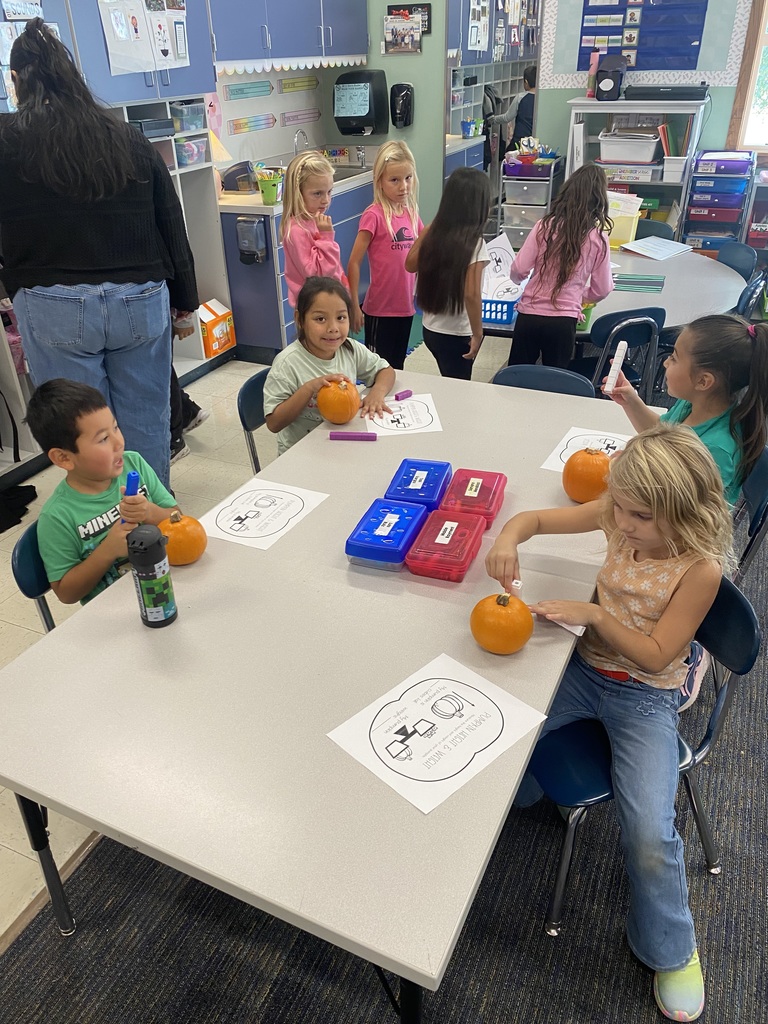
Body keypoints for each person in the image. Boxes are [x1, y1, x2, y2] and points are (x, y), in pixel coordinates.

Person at [486, 423, 734, 1023]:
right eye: (617, 510)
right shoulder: (622, 513)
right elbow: (535, 521)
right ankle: (521, 790)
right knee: (496, 737)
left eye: (639, 517)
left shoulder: (698, 569)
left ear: (685, 512)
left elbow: (654, 655)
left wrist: (593, 614)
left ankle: (673, 950)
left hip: (644, 696)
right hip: (581, 670)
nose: (622, 526)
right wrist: (508, 537)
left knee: (650, 833)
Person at [0, 19, 198, 490]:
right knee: (146, 417)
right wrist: (185, 297)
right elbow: (170, 219)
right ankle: (150, 521)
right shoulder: (124, 136)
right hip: (139, 297)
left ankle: (106, 531)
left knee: (83, 428)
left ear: (19, 81)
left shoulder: (6, 142)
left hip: (53, 304)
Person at [25, 379, 179, 606]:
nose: (119, 442)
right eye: (103, 439)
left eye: (115, 427)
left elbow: (177, 517)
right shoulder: (57, 516)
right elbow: (66, 593)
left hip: (164, 585)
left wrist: (149, 512)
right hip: (114, 613)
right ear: (64, 458)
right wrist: (107, 551)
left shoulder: (133, 464)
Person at [606, 313, 768, 506]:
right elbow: (659, 431)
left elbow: (686, 511)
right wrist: (630, 401)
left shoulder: (715, 449)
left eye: (674, 358)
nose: (665, 363)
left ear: (703, 381)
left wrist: (630, 472)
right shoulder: (691, 404)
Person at [263, 276, 395, 456]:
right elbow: (274, 423)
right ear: (300, 320)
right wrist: (309, 388)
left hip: (343, 445)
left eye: (341, 317)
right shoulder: (287, 364)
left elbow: (385, 370)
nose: (333, 328)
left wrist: (377, 393)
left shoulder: (349, 349)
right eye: (320, 319)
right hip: (300, 455)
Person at [506, 164, 614, 369]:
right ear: (599, 200)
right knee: (555, 383)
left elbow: (519, 269)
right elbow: (602, 289)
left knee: (516, 376)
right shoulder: (598, 238)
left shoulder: (544, 226)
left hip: (529, 316)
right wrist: (579, 294)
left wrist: (519, 282)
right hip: (563, 321)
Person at [405, 167, 490, 380]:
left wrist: (435, 226)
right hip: (457, 334)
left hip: (431, 330)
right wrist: (478, 334)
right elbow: (471, 294)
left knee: (450, 381)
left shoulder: (434, 234)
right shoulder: (476, 244)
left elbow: (410, 264)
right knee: (460, 389)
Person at [347, 141, 423, 369]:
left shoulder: (411, 213)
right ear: (379, 181)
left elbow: (423, 252)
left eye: (408, 178)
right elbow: (353, 262)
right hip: (379, 310)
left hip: (406, 308)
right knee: (377, 370)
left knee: (398, 367)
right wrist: (353, 305)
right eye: (395, 180)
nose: (404, 186)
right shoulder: (374, 215)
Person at [281, 150, 348, 308]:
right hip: (315, 307)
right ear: (298, 193)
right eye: (317, 194)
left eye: (329, 192)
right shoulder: (296, 230)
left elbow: (334, 268)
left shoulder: (313, 220)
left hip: (329, 301)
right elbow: (318, 277)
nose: (325, 200)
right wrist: (326, 238)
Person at [488, 64, 537, 152]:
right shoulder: (541, 98)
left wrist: (492, 119)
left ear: (526, 82)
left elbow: (507, 117)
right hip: (535, 141)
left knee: (509, 160)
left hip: (520, 141)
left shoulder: (521, 97)